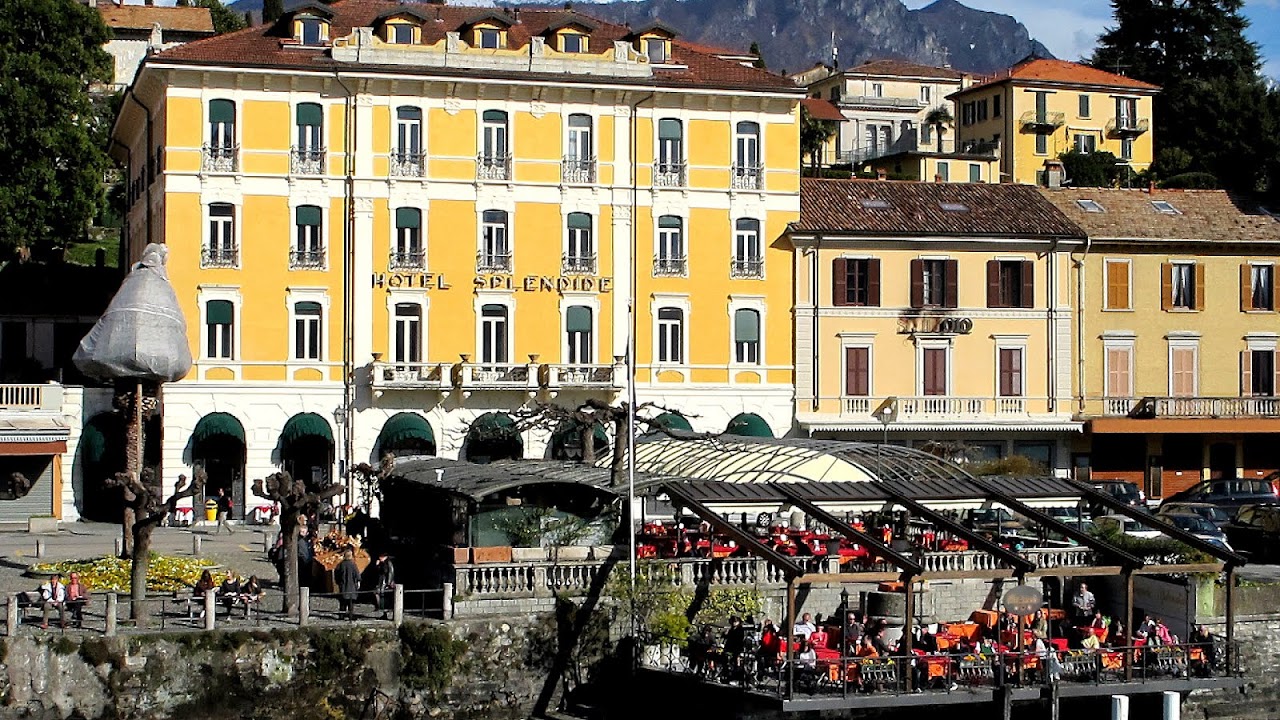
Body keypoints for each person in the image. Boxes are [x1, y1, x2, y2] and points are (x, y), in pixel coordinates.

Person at [335, 548, 361, 621]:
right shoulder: (353, 565)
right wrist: (358, 582)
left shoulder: (340, 564)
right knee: (350, 603)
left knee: (342, 602)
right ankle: (350, 615)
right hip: (352, 586)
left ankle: (341, 615)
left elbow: (336, 574)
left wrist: (338, 582)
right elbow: (357, 575)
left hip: (343, 585)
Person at [372, 552, 396, 619]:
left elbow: (390, 573)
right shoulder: (384, 563)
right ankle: (382, 610)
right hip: (382, 582)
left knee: (384, 597)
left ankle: (383, 610)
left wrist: (388, 583)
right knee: (379, 595)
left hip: (385, 583)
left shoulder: (387, 563)